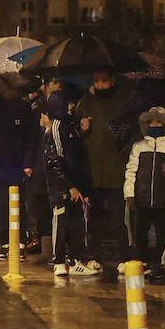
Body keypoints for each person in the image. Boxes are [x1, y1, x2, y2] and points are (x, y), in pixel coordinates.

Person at [123, 107, 165, 281]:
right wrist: (130, 194)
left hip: (164, 199)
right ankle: (141, 262)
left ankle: (158, 263)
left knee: (162, 233)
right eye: (151, 121)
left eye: (158, 121)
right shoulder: (139, 147)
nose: (155, 124)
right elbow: (131, 171)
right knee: (140, 232)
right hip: (142, 198)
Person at [0, 79, 36, 261]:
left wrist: (28, 162)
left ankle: (19, 243)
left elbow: (31, 137)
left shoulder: (23, 107)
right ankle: (4, 243)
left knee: (18, 204)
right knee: (0, 205)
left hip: (18, 164)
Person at [41, 91, 98, 277]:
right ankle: (59, 261)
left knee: (75, 222)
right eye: (68, 103)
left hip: (73, 184)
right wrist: (69, 185)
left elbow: (75, 157)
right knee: (61, 220)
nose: (72, 106)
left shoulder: (69, 127)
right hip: (61, 187)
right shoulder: (57, 128)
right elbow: (56, 159)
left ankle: (74, 260)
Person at [77, 69, 130, 261]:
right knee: (94, 218)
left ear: (113, 81)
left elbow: (127, 135)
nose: (101, 85)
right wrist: (81, 128)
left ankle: (124, 256)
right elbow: (75, 137)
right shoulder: (85, 104)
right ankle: (93, 255)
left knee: (119, 218)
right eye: (97, 81)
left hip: (115, 171)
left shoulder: (121, 104)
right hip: (92, 171)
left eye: (105, 81)